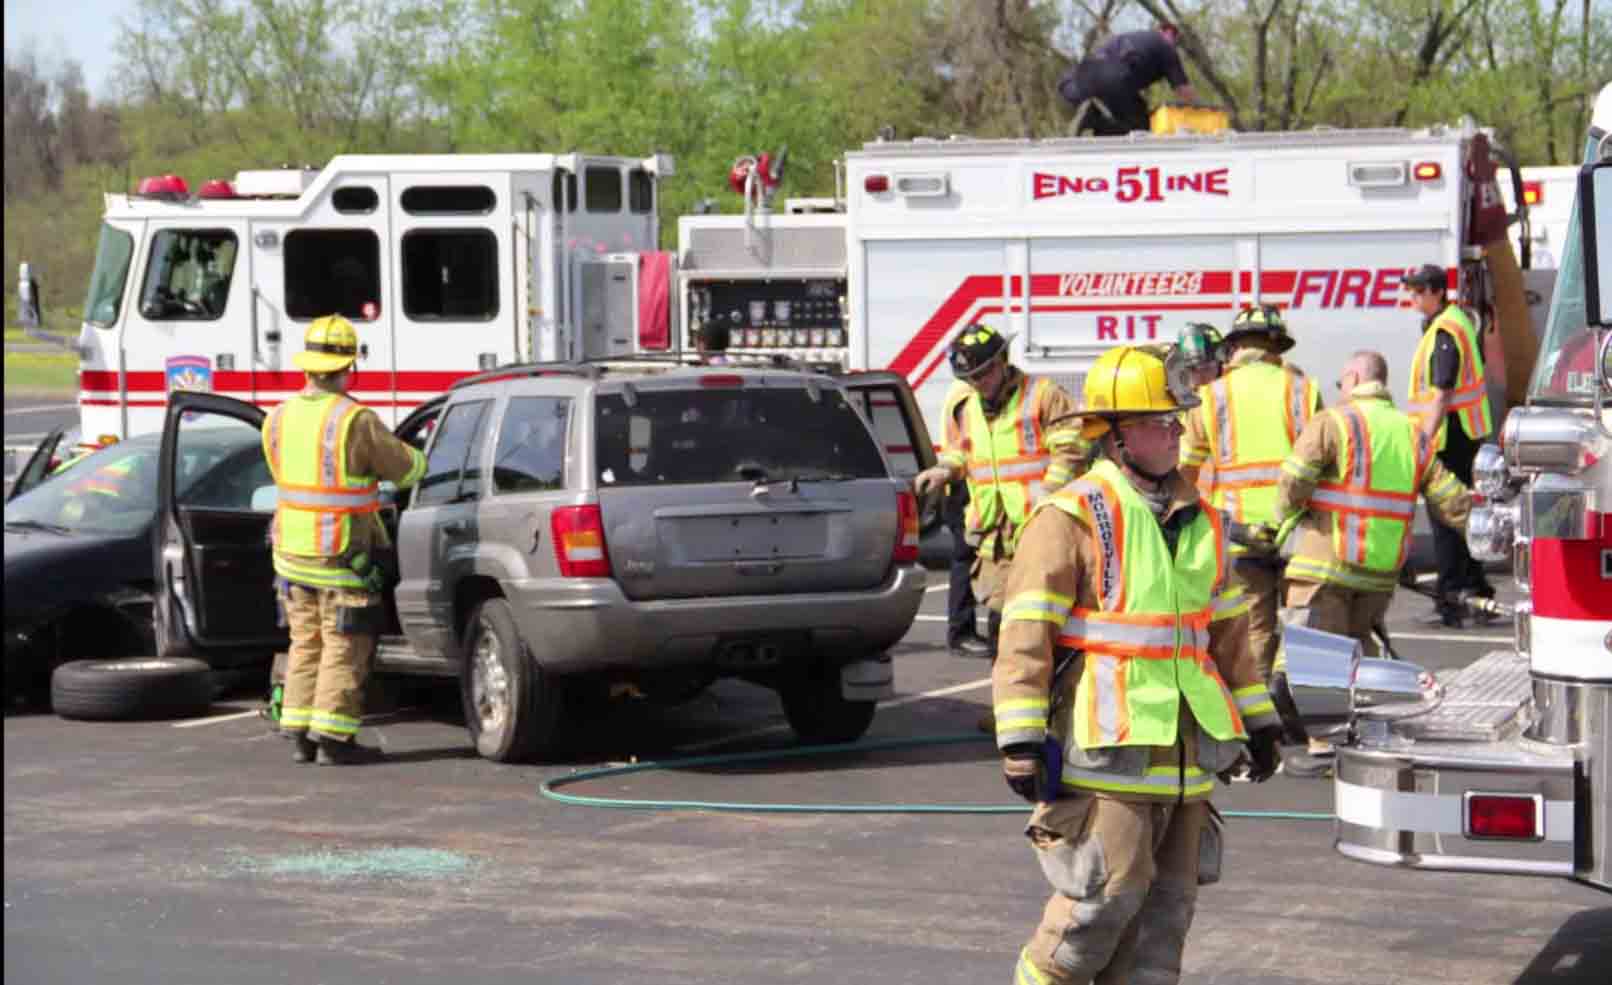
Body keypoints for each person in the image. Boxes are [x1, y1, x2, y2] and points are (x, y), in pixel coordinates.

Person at [993, 343, 1282, 985]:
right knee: (1094, 913)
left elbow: (1228, 635)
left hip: (1185, 756)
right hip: (1109, 751)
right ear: (1115, 436)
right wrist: (1018, 735)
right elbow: (1025, 634)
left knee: (1164, 923)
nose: (1177, 430)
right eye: (1160, 421)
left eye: (1178, 418)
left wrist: (1258, 720)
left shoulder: (1203, 519)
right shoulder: (1068, 517)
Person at [1273, 350, 1471, 776]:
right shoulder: (1412, 434)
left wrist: (1282, 516)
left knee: (1318, 656)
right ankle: (1355, 737)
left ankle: (1324, 745)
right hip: (1379, 571)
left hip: (1327, 561)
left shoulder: (1336, 421)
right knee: (1358, 650)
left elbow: (1294, 478)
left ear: (1354, 375)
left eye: (1342, 381)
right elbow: (1448, 495)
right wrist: (1488, 529)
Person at [264, 315, 426, 766]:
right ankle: (334, 739)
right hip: (340, 556)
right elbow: (408, 469)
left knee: (306, 643)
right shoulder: (355, 419)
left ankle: (299, 733)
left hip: (290, 556)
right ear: (348, 366)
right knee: (343, 645)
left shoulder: (276, 418)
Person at [913, 325, 1085, 678]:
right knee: (1001, 619)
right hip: (995, 536)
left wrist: (1048, 495)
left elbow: (1073, 448)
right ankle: (1008, 705)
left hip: (1041, 529)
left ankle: (1051, 703)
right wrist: (945, 470)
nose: (980, 382)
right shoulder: (967, 407)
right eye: (972, 377)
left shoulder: (1043, 395)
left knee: (1045, 620)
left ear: (1003, 361)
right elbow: (962, 453)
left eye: (985, 372)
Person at [1179, 304, 1322, 684]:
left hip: (1238, 535)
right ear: (1278, 346)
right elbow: (1322, 464)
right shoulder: (1304, 391)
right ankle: (1293, 702)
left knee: (1253, 631)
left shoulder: (1210, 397)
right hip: (1296, 531)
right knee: (1300, 627)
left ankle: (1257, 720)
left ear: (1235, 347)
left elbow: (1183, 475)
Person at [1402, 263, 1496, 627]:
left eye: (1417, 291)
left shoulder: (1444, 330)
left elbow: (1442, 392)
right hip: (1464, 435)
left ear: (1437, 292)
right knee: (1462, 514)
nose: (1412, 297)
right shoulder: (1454, 322)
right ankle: (1475, 588)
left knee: (1446, 519)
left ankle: (1453, 596)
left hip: (1450, 438)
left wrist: (1423, 440)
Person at [1058, 22, 1198, 137]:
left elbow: (1064, 84)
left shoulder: (1131, 37)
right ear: (1170, 36)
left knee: (1115, 128)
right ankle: (1095, 119)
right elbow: (1183, 90)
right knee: (1140, 125)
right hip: (1114, 76)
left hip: (1078, 79)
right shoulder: (1166, 47)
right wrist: (1199, 114)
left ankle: (1093, 118)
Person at [939, 377, 989, 657]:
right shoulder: (968, 397)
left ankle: (962, 630)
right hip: (965, 486)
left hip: (963, 484)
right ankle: (961, 632)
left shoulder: (959, 392)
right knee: (965, 559)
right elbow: (969, 445)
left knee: (965, 559)